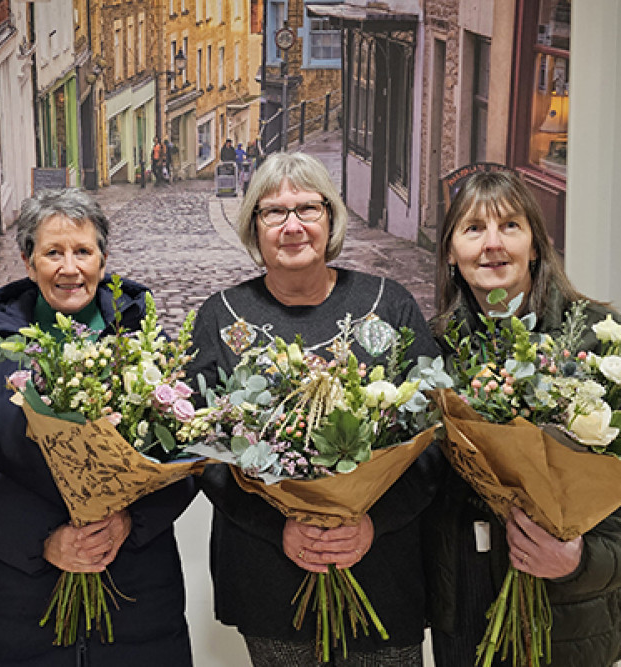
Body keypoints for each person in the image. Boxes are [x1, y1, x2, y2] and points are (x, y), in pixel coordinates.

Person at [187, 152, 442, 666]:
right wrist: (279, 526)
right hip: (271, 575)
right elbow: (201, 450)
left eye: (308, 208)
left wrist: (373, 523)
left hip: (381, 570)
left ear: (331, 218)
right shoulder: (220, 315)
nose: (292, 225)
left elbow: (435, 437)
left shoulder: (388, 303)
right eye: (273, 212)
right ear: (253, 226)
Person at [0, 188, 195, 666]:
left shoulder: (146, 343)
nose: (69, 267)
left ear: (103, 258)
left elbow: (187, 458)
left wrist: (126, 523)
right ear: (27, 261)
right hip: (21, 601)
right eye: (52, 252)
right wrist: (47, 539)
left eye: (83, 251)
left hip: (136, 595)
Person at [426, 168, 621, 666]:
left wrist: (577, 560)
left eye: (510, 226)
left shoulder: (605, 344)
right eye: (473, 229)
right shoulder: (433, 352)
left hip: (570, 609)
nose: (493, 244)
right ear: (451, 251)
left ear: (535, 245)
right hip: (468, 608)